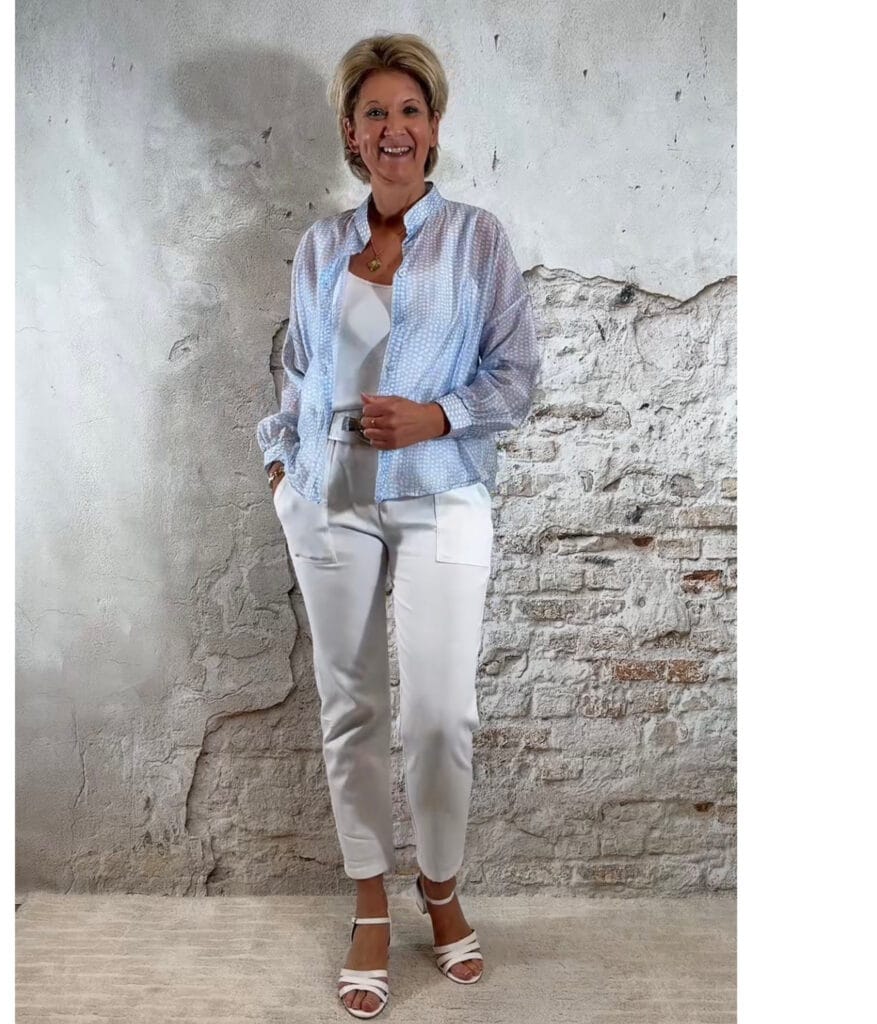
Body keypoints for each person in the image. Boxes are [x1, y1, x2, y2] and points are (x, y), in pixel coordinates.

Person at [256, 33, 541, 1019]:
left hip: (442, 488)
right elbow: (300, 370)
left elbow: (516, 375)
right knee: (350, 707)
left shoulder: (477, 240)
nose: (393, 128)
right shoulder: (320, 247)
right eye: (374, 112)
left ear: (434, 126)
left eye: (409, 111)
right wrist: (282, 468)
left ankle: (442, 884)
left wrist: (437, 416)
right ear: (350, 132)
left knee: (439, 713)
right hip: (329, 492)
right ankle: (371, 902)